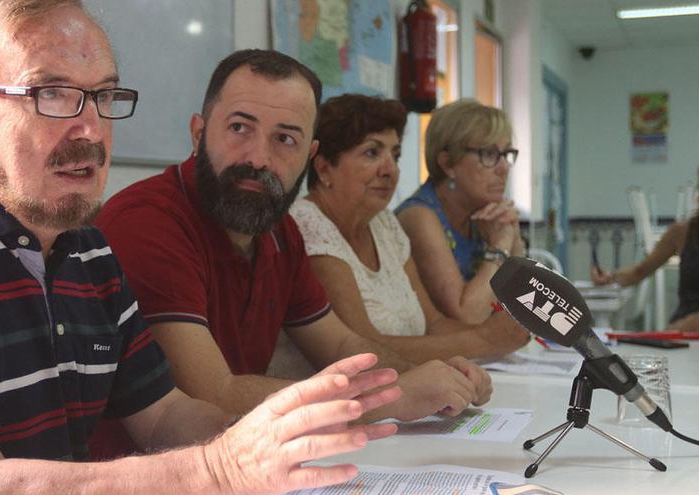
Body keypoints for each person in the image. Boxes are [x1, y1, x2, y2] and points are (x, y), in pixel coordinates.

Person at [0, 2, 403, 494]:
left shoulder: (86, 250)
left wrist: (276, 436)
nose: (91, 129)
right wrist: (218, 468)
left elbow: (164, 416)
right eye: (51, 94)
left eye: (104, 97)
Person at [96, 49, 493, 427]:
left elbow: (339, 346)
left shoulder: (280, 231)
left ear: (309, 154)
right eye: (239, 128)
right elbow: (210, 394)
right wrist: (393, 395)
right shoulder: (149, 222)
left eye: (285, 139)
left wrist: (434, 375)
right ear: (198, 133)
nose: (258, 159)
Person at [280, 93, 529, 369]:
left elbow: (433, 323)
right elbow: (361, 346)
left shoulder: (384, 225)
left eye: (395, 155)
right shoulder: (307, 227)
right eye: (372, 153)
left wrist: (496, 336)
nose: (390, 170)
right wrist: (487, 340)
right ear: (324, 167)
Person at [395, 99, 525, 325]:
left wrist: (510, 232)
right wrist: (501, 245)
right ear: (447, 164)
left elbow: (525, 302)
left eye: (506, 154)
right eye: (489, 154)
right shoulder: (419, 216)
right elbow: (466, 316)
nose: (504, 168)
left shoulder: (488, 213)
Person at [592, 161, 699, 331]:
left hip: (688, 328)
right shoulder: (681, 232)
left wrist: (695, 323)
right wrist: (610, 277)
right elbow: (640, 271)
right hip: (684, 333)